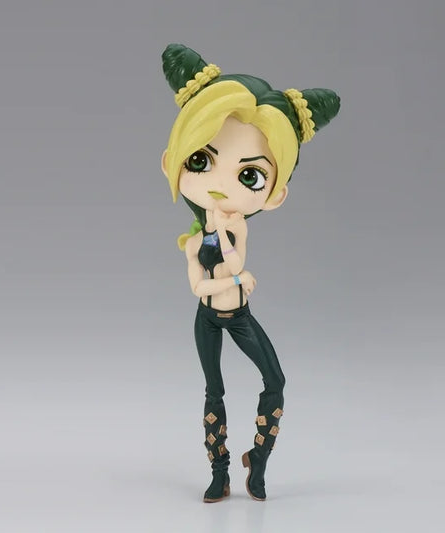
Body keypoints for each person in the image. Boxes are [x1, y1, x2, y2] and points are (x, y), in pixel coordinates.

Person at [160, 43, 340, 502]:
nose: (221, 186)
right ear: (172, 161)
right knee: (214, 390)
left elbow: (236, 261)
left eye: (250, 176)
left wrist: (226, 238)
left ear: (275, 195)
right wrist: (235, 279)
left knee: (274, 380)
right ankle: (219, 471)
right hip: (208, 317)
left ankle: (257, 462)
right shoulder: (193, 244)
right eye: (200, 160)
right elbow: (201, 285)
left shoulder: (237, 229)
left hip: (239, 317)